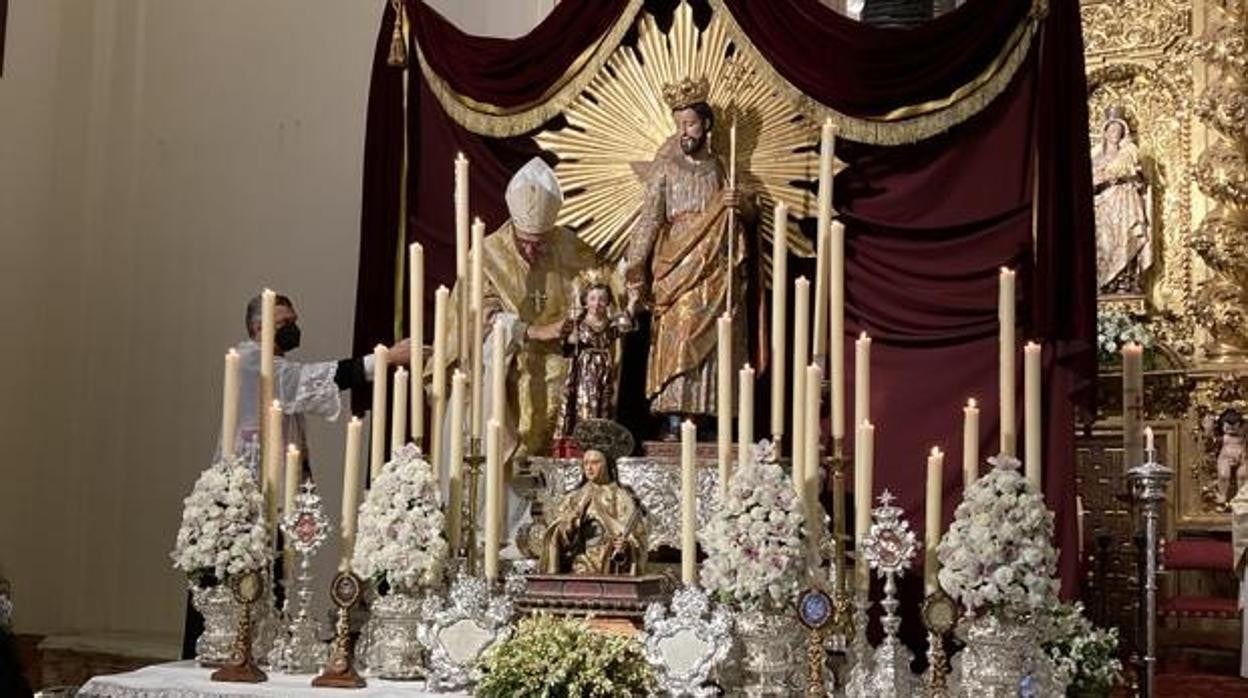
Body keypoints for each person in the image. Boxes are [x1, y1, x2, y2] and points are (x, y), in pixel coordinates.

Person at [183, 293, 409, 660]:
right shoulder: (251, 361)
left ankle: (265, 645)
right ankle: (227, 647)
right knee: (232, 571)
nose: (294, 329)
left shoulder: (273, 365)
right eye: (285, 323)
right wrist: (382, 359)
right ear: (259, 327)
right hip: (245, 486)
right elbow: (304, 381)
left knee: (274, 569)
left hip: (274, 487)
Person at [623, 76, 752, 438]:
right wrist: (636, 271)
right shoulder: (665, 169)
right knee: (677, 336)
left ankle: (710, 416)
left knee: (715, 342)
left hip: (715, 267)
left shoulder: (724, 168)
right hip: (676, 264)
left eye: (691, 123)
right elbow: (649, 221)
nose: (684, 131)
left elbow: (752, 214)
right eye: (679, 124)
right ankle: (675, 416)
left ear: (706, 124)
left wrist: (738, 204)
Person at [552, 280, 639, 448]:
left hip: (604, 370)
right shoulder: (578, 323)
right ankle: (583, 444)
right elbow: (566, 346)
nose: (597, 303)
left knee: (604, 404)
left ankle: (600, 444)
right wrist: (571, 340)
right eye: (592, 298)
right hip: (585, 370)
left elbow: (625, 323)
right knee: (585, 403)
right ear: (585, 301)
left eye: (601, 299)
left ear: (607, 302)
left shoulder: (609, 324)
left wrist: (632, 302)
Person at [539, 449, 647, 575]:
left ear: (607, 465)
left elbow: (637, 536)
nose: (589, 468)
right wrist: (572, 523)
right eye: (585, 463)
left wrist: (626, 546)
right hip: (579, 567)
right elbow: (556, 535)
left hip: (610, 567)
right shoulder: (574, 497)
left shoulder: (621, 497)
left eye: (595, 463)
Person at [1093, 107, 1152, 295]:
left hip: (1125, 202)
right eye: (1111, 131)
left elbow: (1142, 182)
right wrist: (1100, 179)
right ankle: (1106, 281)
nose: (1114, 135)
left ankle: (1125, 281)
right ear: (1104, 132)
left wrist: (1131, 177)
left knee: (1127, 237)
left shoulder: (1129, 154)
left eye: (1118, 132)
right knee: (1106, 241)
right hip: (1104, 206)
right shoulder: (1095, 157)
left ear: (1123, 134)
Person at [1216, 409, 1247, 504]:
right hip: (1225, 458)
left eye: (1234, 427)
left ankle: (1242, 496)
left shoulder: (1243, 436)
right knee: (1223, 475)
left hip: (1241, 458)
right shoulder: (1223, 437)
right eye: (1227, 427)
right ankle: (1222, 495)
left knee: (1243, 475)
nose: (1231, 430)